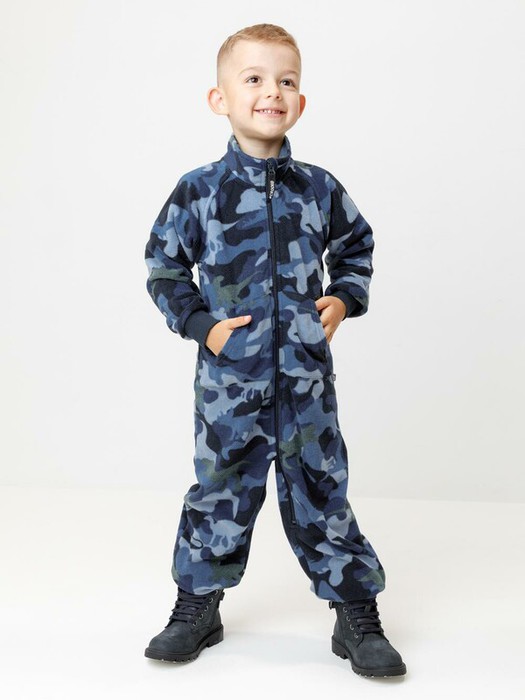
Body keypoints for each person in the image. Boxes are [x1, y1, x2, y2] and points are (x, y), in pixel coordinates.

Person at [143, 23, 407, 678]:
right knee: (219, 490)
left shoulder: (318, 188)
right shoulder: (200, 191)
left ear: (300, 102)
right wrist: (201, 325)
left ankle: (355, 613)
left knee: (322, 487)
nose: (272, 92)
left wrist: (343, 298)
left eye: (286, 81)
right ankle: (197, 606)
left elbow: (356, 247)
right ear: (219, 98)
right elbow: (165, 267)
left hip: (305, 381)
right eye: (254, 79)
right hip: (229, 383)